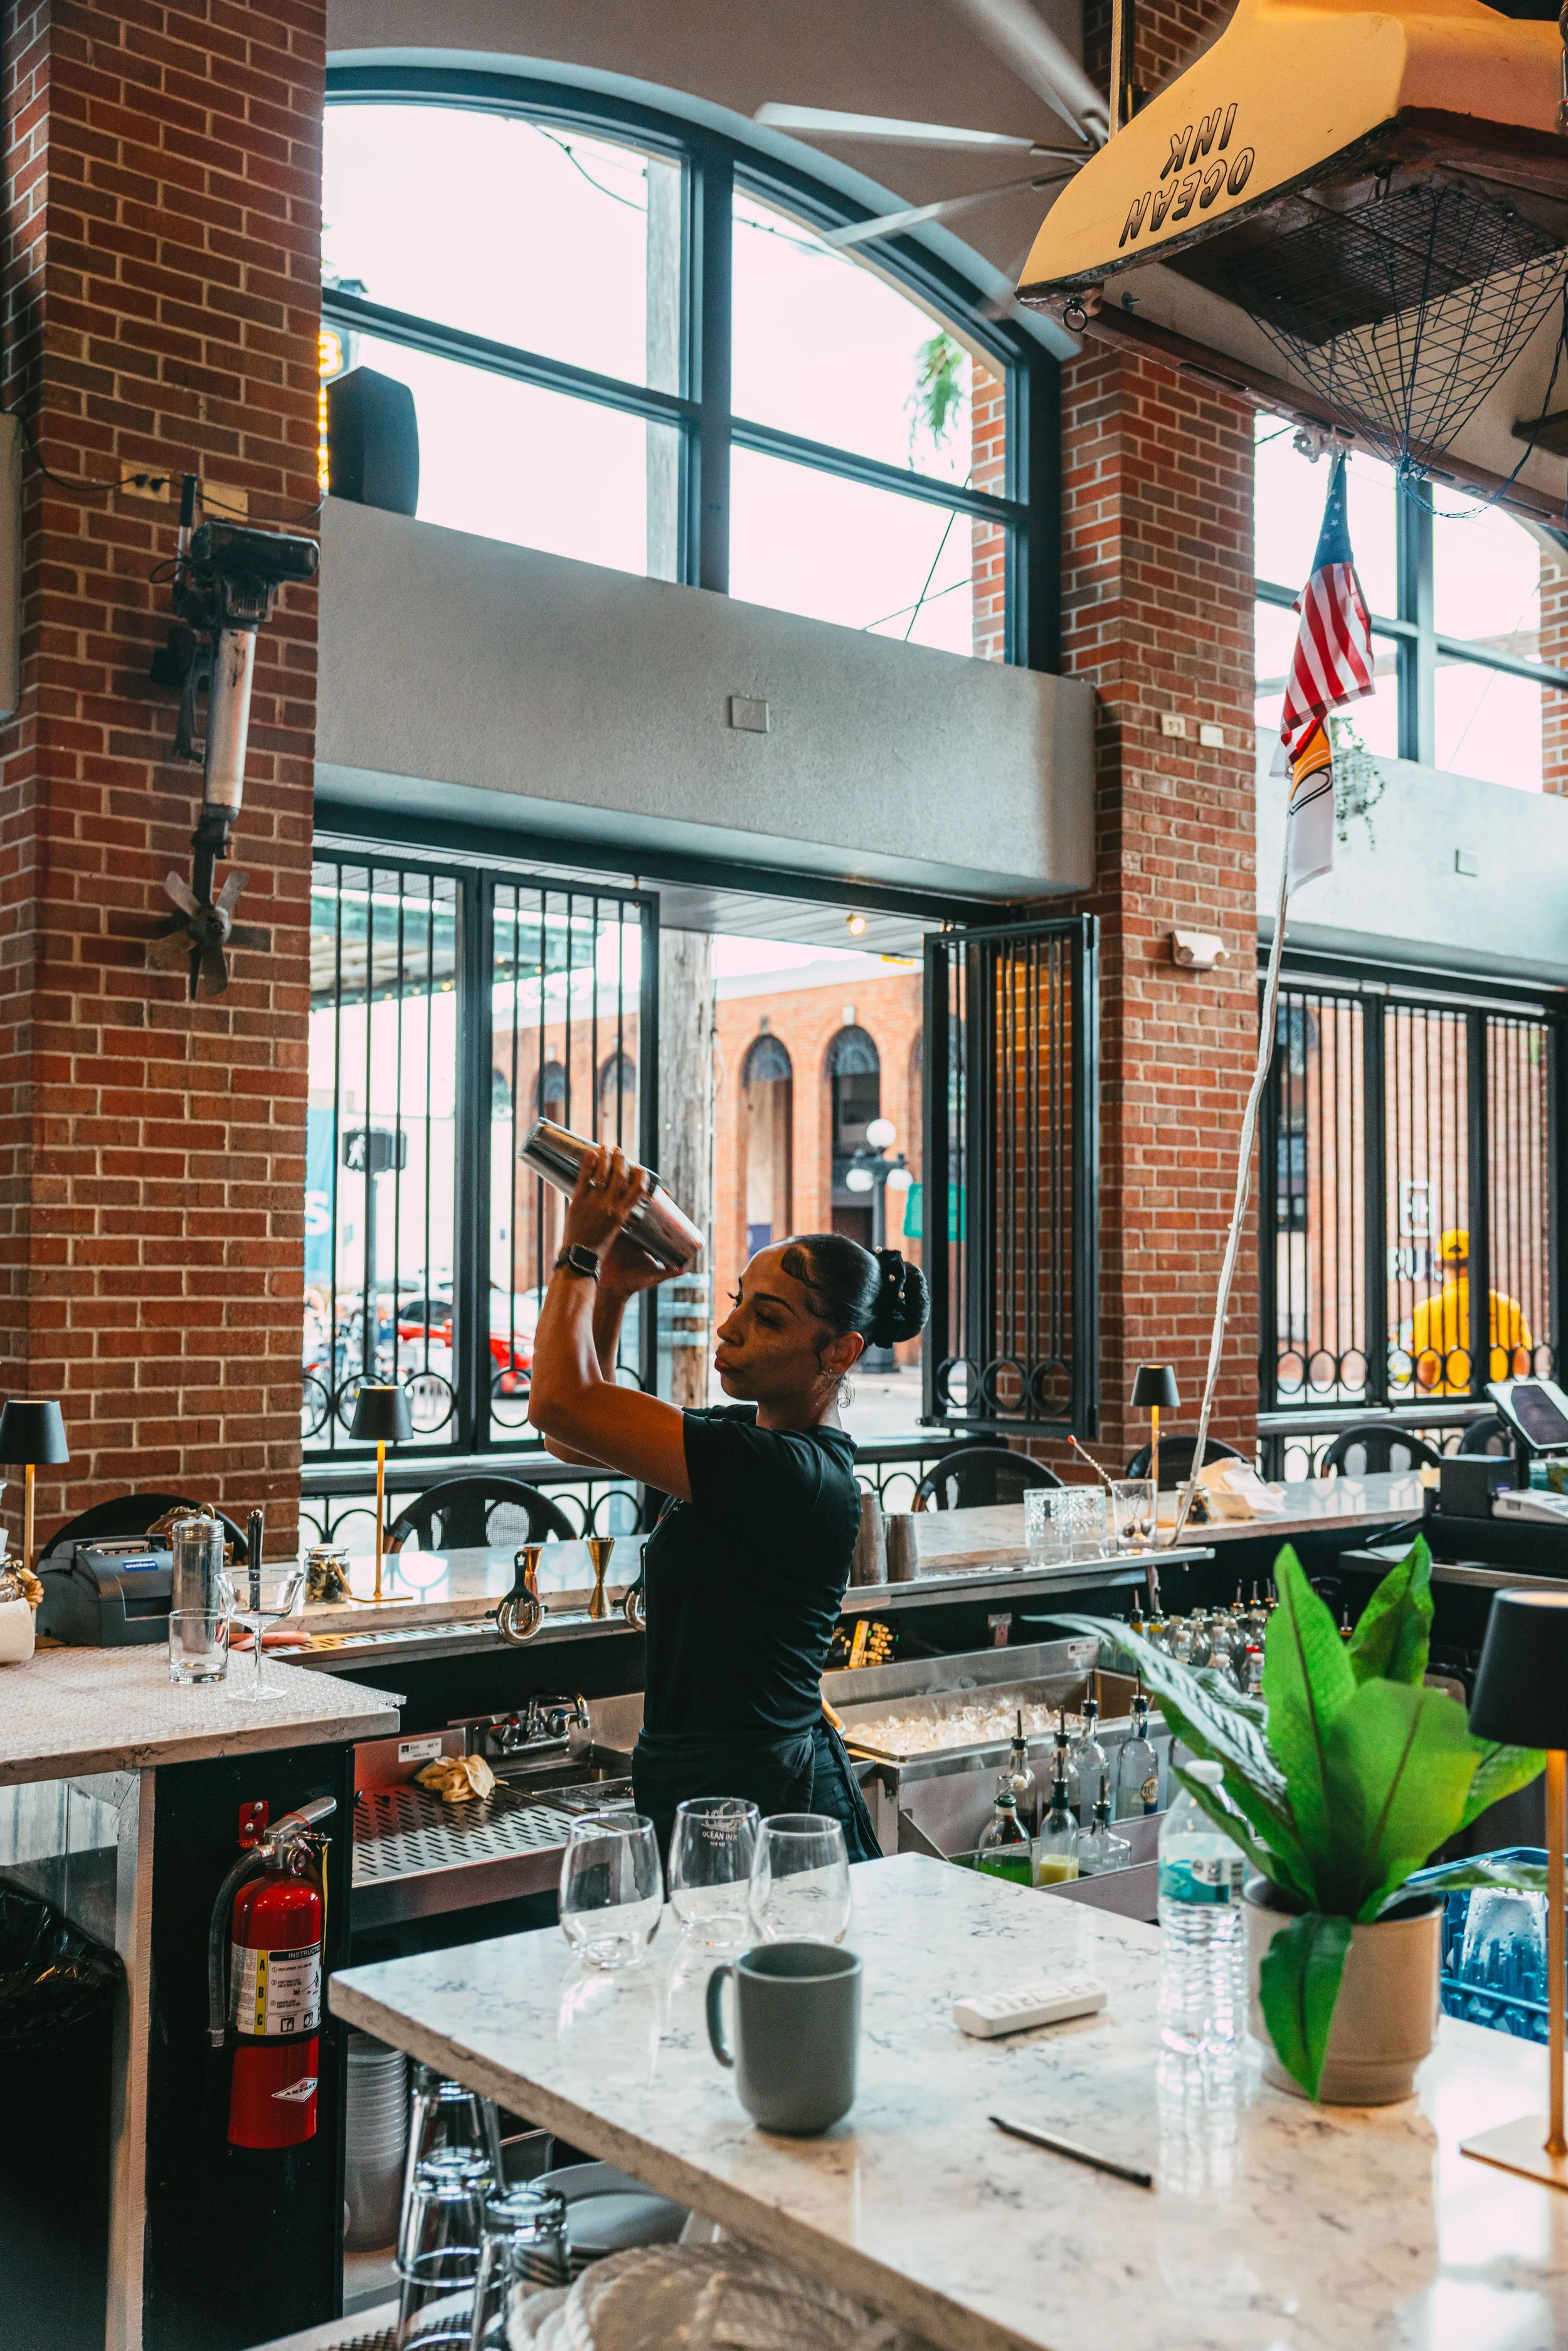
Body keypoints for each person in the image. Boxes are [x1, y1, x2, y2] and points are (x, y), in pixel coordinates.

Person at [526, 1142, 929, 1862]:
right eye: (738, 1302)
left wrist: (580, 1252)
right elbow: (576, 1438)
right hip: (710, 1786)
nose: (728, 1328)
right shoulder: (747, 1436)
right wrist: (616, 1289)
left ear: (838, 1351)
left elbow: (560, 1401)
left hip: (768, 1804)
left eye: (767, 1319)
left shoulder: (787, 1471)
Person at [1411, 1227, 1532, 1396]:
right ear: (1475, 1261)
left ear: (1439, 1264)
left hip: (1448, 1408)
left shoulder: (1427, 1311)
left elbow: (1425, 1375)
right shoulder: (1508, 1306)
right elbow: (1522, 1366)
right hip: (1495, 1406)